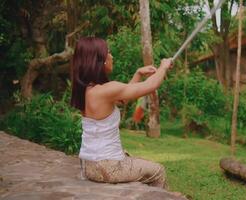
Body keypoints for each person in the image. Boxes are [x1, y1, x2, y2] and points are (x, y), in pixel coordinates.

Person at [70, 37, 172, 189]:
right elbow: (151, 85)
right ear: (100, 60)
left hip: (89, 164)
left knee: (131, 158)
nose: (112, 56)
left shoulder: (89, 90)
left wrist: (138, 74)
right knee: (158, 171)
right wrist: (164, 67)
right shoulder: (107, 89)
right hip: (106, 167)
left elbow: (122, 100)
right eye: (109, 53)